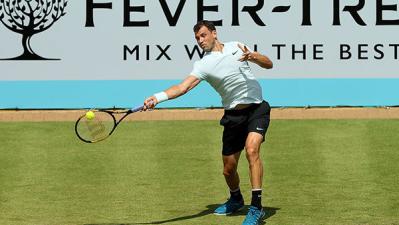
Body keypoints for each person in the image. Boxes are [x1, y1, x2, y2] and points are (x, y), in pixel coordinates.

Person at [143, 20, 273, 225]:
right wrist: (157, 98)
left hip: (257, 109)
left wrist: (253, 56)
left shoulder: (236, 46)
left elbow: (268, 63)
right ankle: (236, 198)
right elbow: (182, 87)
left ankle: (256, 208)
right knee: (228, 170)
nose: (200, 40)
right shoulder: (203, 65)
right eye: (197, 38)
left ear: (214, 33)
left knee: (252, 150)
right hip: (233, 117)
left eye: (203, 35)